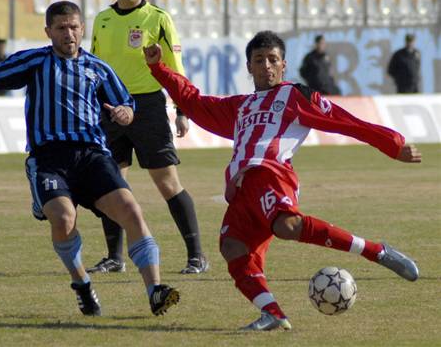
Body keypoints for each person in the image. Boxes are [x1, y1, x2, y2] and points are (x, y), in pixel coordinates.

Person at [142, 31, 421, 331]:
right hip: (239, 189)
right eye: (259, 60)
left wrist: (392, 144)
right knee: (232, 247)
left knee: (287, 226)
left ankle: (376, 251)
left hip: (272, 175)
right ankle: (272, 314)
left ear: (284, 65)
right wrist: (159, 68)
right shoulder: (240, 107)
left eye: (273, 60)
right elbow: (194, 101)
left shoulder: (294, 96)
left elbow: (346, 121)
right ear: (248, 67)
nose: (266, 66)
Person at [0, 1, 179, 317]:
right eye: (62, 28)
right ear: (48, 31)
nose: (69, 34)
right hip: (50, 158)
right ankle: (81, 284)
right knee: (64, 220)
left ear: (82, 29)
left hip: (93, 157)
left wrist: (125, 113)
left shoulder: (98, 68)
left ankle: (155, 290)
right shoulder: (35, 61)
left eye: (74, 27)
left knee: (131, 211)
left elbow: (126, 105)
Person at [88, 0, 208, 275]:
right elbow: (95, 69)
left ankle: (197, 255)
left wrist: (182, 109)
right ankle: (115, 258)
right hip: (110, 109)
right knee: (110, 185)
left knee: (167, 183)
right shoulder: (101, 20)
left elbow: (175, 67)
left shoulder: (158, 18)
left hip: (148, 107)